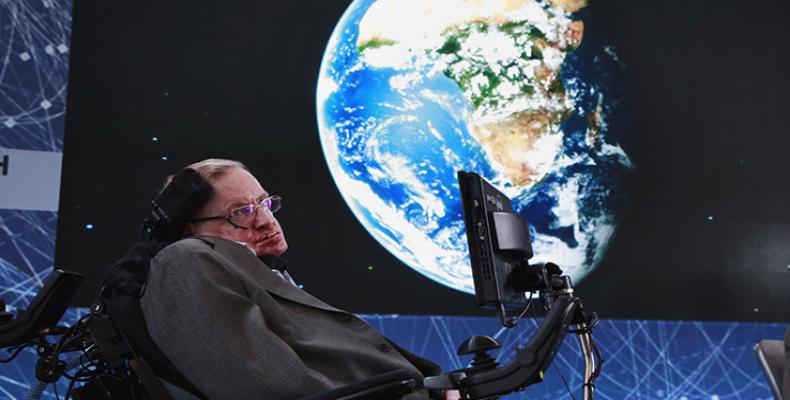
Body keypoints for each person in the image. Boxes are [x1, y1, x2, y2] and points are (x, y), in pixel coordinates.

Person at [139, 158, 445, 399]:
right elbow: (262, 386)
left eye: (264, 202)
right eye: (241, 212)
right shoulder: (184, 260)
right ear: (191, 228)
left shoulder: (260, 273)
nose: (266, 220)